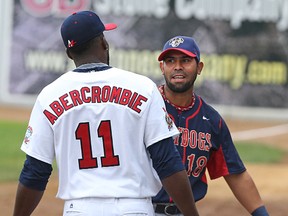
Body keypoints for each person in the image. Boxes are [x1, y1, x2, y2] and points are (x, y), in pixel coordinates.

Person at [12, 12, 200, 216]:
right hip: (134, 208)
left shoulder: (49, 96)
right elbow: (166, 162)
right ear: (103, 42)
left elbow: (35, 172)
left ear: (69, 53)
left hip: (79, 210)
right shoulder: (142, 87)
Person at [152, 35, 269, 216]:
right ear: (162, 67)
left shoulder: (211, 120)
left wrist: (261, 214)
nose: (177, 67)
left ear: (199, 68)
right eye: (170, 61)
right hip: (142, 210)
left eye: (185, 60)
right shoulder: (146, 106)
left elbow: (235, 172)